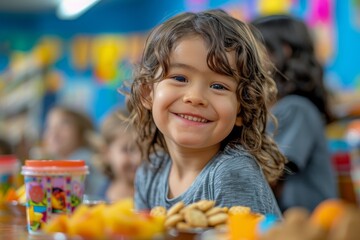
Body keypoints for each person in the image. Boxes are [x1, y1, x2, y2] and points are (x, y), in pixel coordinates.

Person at [127, 9, 287, 217]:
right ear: (147, 93)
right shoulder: (150, 171)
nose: (195, 97)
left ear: (242, 109)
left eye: (219, 86)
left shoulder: (232, 173)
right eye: (180, 78)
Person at [250, 15, 338, 212]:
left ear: (284, 50)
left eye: (253, 50)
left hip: (308, 224)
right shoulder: (281, 107)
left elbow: (270, 171)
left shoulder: (296, 107)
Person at [42, 105, 107, 198]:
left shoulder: (83, 160)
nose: (54, 132)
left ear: (80, 131)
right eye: (49, 126)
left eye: (63, 124)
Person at [97, 108, 142, 202]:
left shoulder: (154, 195)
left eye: (144, 149)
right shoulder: (100, 193)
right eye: (127, 150)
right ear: (106, 153)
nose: (138, 159)